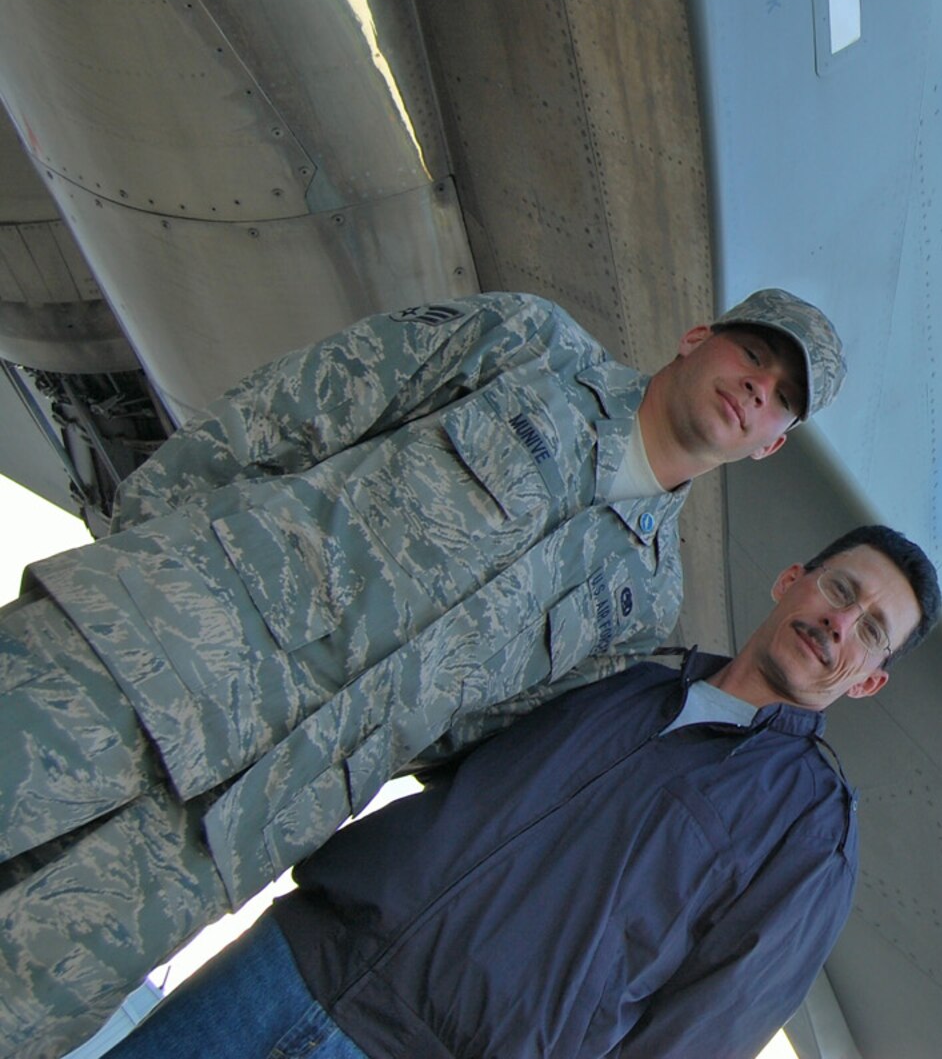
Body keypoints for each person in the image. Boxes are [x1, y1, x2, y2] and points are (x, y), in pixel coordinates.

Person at [0, 287, 845, 1057]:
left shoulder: (641, 601)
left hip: (226, 827)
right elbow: (293, 409)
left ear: (772, 444)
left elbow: (461, 735)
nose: (757, 388)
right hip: (129, 664)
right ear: (699, 336)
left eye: (782, 399)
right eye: (754, 355)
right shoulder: (529, 347)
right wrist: (148, 570)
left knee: (24, 1000)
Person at [107, 525, 941, 1059]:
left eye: (871, 629)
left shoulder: (809, 829)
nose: (842, 621)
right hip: (291, 963)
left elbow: (703, 1033)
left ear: (867, 682)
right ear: (792, 578)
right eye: (841, 589)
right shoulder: (621, 672)